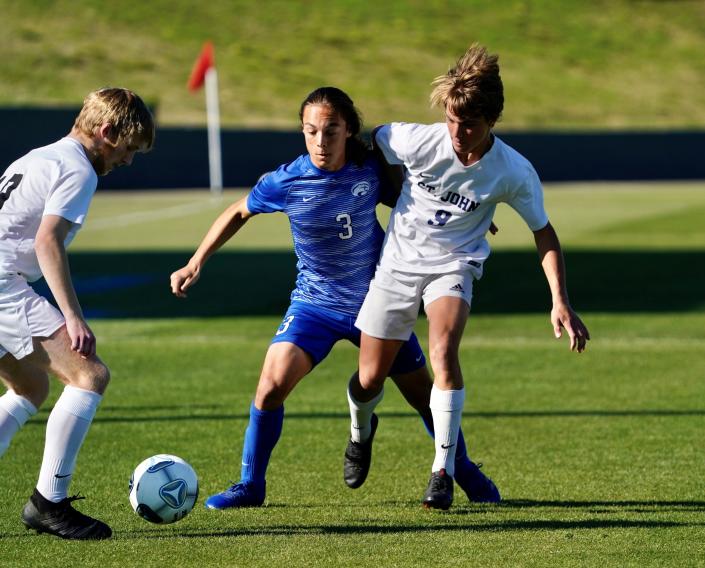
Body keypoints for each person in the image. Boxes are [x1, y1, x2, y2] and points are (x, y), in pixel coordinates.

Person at [170, 86, 499, 510]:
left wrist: (466, 219)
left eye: (330, 131)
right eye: (311, 132)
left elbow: (417, 204)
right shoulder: (287, 180)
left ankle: (465, 471)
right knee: (270, 387)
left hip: (379, 303)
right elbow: (237, 211)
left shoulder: (369, 170)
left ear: (348, 131)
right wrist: (196, 261)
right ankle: (251, 485)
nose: (320, 142)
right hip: (315, 304)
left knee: (424, 396)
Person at [346, 44, 591, 510]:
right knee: (370, 378)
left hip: (454, 264)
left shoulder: (514, 172)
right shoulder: (417, 139)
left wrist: (559, 299)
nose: (459, 132)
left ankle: (442, 471)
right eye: (453, 120)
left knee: (443, 350)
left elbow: (544, 232)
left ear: (493, 120)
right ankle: (360, 431)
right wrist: (389, 191)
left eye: (471, 124)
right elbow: (370, 140)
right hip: (397, 263)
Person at [0, 88, 154, 539]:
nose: (126, 161)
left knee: (29, 386)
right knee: (90, 375)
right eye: (127, 149)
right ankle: (49, 503)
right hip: (3, 286)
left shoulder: (37, 156)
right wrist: (73, 316)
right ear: (106, 132)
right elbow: (47, 241)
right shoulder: (78, 169)